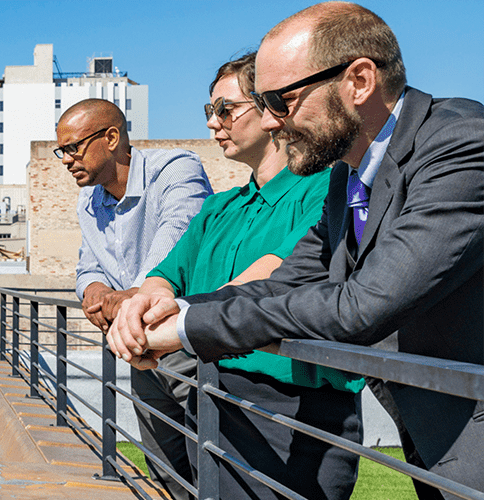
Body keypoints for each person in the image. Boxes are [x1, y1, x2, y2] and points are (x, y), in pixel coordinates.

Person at [110, 3, 484, 498]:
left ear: (359, 80)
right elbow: (287, 280)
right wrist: (171, 308)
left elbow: (361, 306)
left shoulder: (460, 143)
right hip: (435, 426)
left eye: (280, 101)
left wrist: (182, 329)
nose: (269, 123)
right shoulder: (347, 178)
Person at [119, 51, 363, 500]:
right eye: (210, 111)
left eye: (225, 109)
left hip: (293, 405)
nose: (214, 122)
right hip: (212, 391)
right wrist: (141, 306)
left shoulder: (324, 189)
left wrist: (165, 323)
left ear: (271, 108)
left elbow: (277, 275)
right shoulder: (218, 208)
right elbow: (165, 275)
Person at [57, 98, 211, 499]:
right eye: (61, 151)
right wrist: (99, 296)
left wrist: (135, 297)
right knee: (163, 467)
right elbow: (87, 267)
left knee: (209, 465)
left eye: (73, 148)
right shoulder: (88, 200)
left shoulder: (175, 169)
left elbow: (180, 239)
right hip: (136, 348)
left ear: (111, 138)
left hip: (187, 343)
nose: (65, 160)